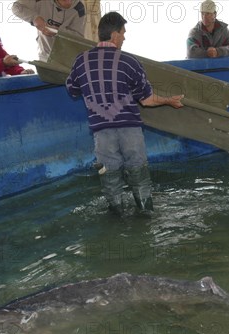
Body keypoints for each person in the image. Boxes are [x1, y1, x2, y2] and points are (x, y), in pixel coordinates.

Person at [66, 12, 184, 217]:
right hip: (130, 129)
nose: (124, 37)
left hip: (101, 132)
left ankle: (116, 217)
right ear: (114, 35)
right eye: (123, 33)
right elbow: (146, 100)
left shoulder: (81, 61)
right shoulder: (130, 62)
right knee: (139, 174)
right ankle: (146, 215)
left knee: (109, 177)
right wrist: (169, 100)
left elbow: (72, 89)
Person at [11, 0, 86, 62]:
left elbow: (78, 37)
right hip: (45, 55)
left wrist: (58, 32)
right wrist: (35, 18)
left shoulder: (79, 8)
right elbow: (16, 7)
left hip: (68, 58)